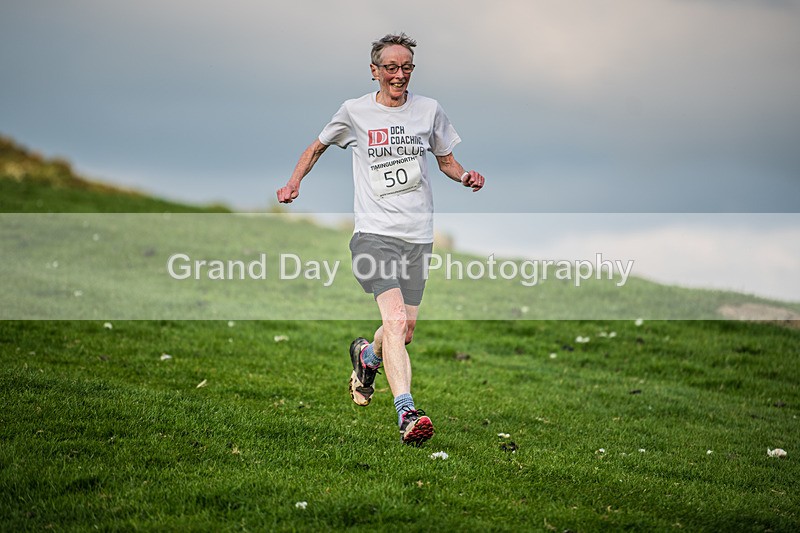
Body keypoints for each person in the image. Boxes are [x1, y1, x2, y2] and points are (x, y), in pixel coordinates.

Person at [277, 33, 485, 446]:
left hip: (417, 238)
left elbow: (445, 159)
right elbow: (316, 147)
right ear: (374, 71)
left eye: (406, 67)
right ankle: (407, 411)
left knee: (403, 331)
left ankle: (366, 359)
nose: (399, 75)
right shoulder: (354, 112)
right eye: (391, 67)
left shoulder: (429, 111)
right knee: (392, 320)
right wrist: (294, 181)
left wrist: (464, 175)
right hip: (373, 236)